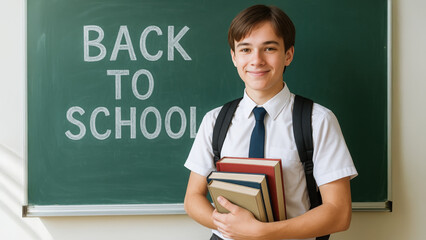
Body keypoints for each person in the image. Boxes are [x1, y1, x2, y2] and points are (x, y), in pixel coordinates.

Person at [184, 4, 358, 240]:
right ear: (234, 57)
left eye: (269, 48)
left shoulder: (318, 121)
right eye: (245, 50)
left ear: (288, 54)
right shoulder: (215, 121)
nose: (256, 60)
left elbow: (339, 213)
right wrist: (228, 224)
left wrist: (261, 232)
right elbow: (193, 198)